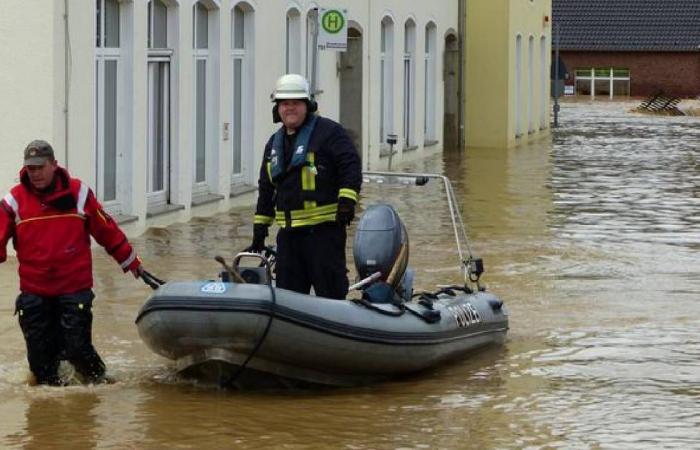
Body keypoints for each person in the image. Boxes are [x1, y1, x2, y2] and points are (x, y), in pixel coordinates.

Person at [0, 140, 146, 386]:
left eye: (40, 167)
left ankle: (103, 384)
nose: (34, 173)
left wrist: (132, 262)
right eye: (30, 168)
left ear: (54, 165)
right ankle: (52, 420)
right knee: (40, 367)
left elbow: (106, 230)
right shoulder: (13, 201)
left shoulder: (79, 193)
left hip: (74, 289)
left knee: (78, 350)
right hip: (35, 292)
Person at [247, 74, 362, 300]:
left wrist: (347, 201)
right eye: (285, 103)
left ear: (307, 105)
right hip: (289, 238)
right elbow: (266, 189)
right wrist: (260, 231)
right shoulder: (273, 144)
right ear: (277, 108)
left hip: (323, 233)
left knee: (330, 295)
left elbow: (350, 165)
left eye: (296, 103)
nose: (290, 108)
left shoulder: (330, 133)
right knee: (288, 299)